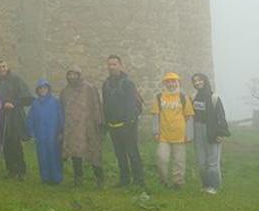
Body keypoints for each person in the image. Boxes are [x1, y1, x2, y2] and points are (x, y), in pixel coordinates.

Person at [102, 55, 145, 188]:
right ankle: (124, 180)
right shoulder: (106, 84)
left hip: (128, 125)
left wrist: (129, 122)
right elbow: (105, 104)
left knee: (132, 153)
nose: (111, 67)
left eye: (114, 64)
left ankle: (139, 181)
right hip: (113, 126)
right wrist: (106, 123)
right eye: (109, 64)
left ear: (120, 65)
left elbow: (131, 104)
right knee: (119, 154)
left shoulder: (127, 83)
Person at [60, 65, 105, 187]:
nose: (72, 76)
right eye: (70, 74)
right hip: (73, 128)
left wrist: (99, 122)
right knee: (76, 153)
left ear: (80, 75)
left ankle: (100, 179)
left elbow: (96, 105)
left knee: (94, 153)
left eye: (75, 74)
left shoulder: (90, 88)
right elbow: (63, 109)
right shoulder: (65, 91)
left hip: (88, 126)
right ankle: (78, 178)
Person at [0, 60, 33, 180]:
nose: (2, 69)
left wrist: (13, 103)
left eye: (4, 66)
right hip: (2, 115)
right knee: (5, 142)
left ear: (7, 67)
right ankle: (11, 170)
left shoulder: (16, 78)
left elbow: (27, 98)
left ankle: (20, 170)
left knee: (15, 143)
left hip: (15, 115)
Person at [152, 72, 195, 190]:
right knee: (161, 158)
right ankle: (163, 181)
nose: (171, 84)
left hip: (180, 135)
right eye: (168, 82)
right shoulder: (159, 97)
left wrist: (189, 134)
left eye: (173, 82)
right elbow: (156, 115)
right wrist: (155, 132)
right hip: (164, 135)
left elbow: (189, 116)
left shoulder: (183, 97)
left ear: (178, 83)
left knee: (179, 161)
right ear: (165, 84)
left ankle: (178, 183)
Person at [190, 73, 230, 194]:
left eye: (200, 80)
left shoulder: (214, 97)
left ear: (205, 81)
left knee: (212, 161)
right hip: (197, 130)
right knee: (202, 161)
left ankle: (214, 186)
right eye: (195, 81)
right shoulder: (193, 97)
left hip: (211, 131)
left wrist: (221, 133)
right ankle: (205, 185)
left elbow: (221, 116)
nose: (197, 83)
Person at [26, 79, 64, 185]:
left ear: (48, 89)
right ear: (37, 90)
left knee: (55, 156)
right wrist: (32, 132)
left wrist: (61, 131)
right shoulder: (35, 104)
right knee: (42, 156)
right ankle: (45, 177)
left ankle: (56, 177)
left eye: (45, 88)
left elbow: (61, 117)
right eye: (40, 88)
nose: (43, 90)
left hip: (53, 134)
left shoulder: (55, 102)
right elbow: (30, 119)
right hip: (40, 135)